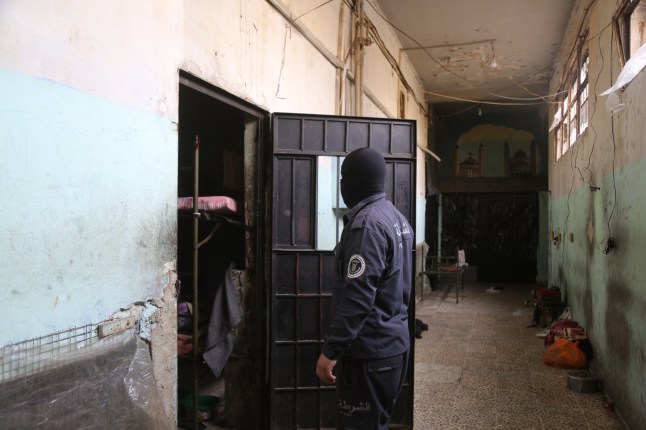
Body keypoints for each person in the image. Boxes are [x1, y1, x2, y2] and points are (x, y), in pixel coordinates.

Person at [316, 147, 414, 430]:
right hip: (393, 348)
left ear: (354, 181)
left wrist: (331, 351)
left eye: (344, 179)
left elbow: (358, 298)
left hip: (371, 354)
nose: (342, 186)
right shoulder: (397, 219)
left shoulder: (367, 226)